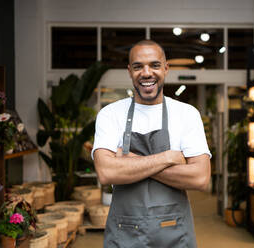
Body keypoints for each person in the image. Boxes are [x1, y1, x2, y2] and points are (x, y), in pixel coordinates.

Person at [92, 39, 211, 248]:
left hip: (175, 234)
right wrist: (168, 158)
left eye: (155, 65)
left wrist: (130, 161)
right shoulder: (110, 114)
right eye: (138, 66)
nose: (146, 73)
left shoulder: (186, 114)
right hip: (124, 233)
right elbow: (106, 173)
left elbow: (200, 178)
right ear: (129, 71)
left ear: (166, 69)